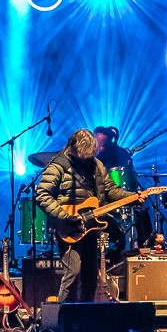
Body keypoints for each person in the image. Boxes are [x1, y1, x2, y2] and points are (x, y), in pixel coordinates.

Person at [37, 128, 116, 303]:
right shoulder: (58, 165)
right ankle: (62, 315)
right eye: (83, 156)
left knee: (90, 275)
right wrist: (64, 216)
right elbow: (42, 194)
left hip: (91, 226)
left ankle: (85, 314)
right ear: (74, 149)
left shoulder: (96, 165)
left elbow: (110, 190)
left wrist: (132, 197)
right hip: (68, 227)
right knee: (73, 272)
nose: (85, 159)